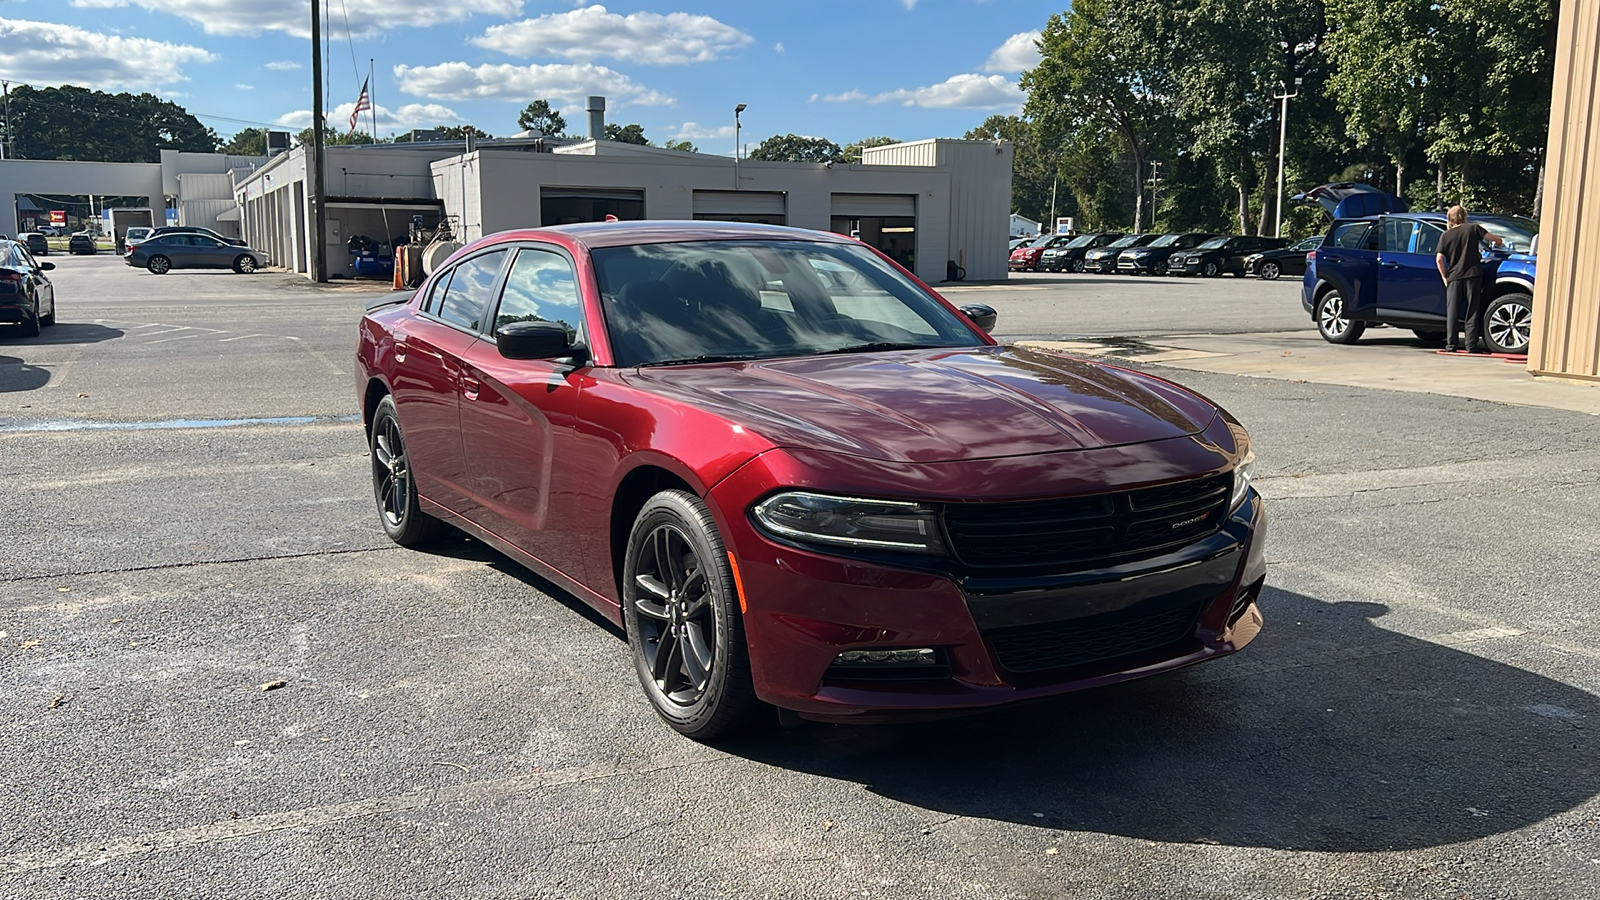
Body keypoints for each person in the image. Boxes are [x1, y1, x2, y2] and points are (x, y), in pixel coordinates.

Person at [1435, 205, 1504, 353]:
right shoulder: (1473, 229)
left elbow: (1439, 259)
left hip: (1454, 277)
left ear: (1450, 218)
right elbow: (1494, 239)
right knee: (1472, 310)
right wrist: (1499, 242)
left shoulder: (1445, 236)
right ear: (1464, 216)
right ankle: (1471, 346)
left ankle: (1451, 345)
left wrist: (1445, 277)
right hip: (1472, 275)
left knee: (1452, 311)